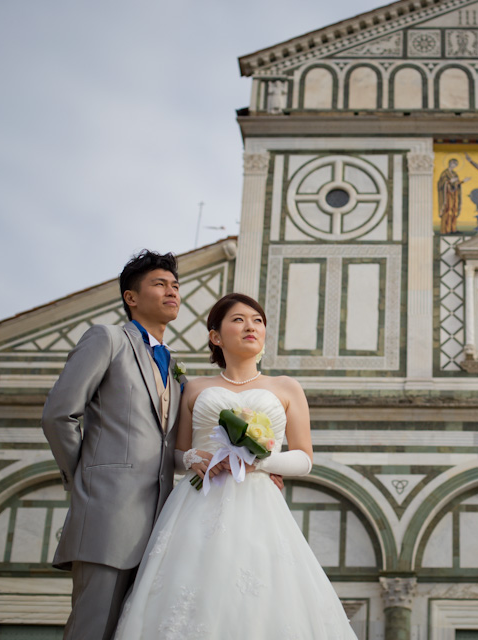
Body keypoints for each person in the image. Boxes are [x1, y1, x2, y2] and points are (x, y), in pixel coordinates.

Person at [115, 293, 357, 639]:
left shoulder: (285, 386)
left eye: (258, 321)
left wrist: (258, 460)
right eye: (239, 320)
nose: (251, 327)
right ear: (216, 336)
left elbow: (304, 458)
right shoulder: (194, 387)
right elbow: (177, 452)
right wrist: (193, 458)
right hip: (197, 504)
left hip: (259, 504)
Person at [42, 250, 187, 640]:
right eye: (160, 284)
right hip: (107, 515)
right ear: (131, 297)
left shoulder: (173, 367)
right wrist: (87, 481)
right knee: (93, 629)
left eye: (175, 286)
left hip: (158, 524)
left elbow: (161, 446)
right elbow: (59, 415)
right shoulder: (107, 338)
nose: (172, 291)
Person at [437, 158, 470, 233]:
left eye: (455, 164)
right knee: (448, 211)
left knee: (454, 211)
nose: (454, 165)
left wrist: (463, 181)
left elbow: (456, 184)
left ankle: (453, 229)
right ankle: (446, 229)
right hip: (447, 195)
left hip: (454, 194)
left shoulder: (455, 174)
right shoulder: (445, 173)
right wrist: (448, 181)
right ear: (449, 163)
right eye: (453, 164)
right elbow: (441, 183)